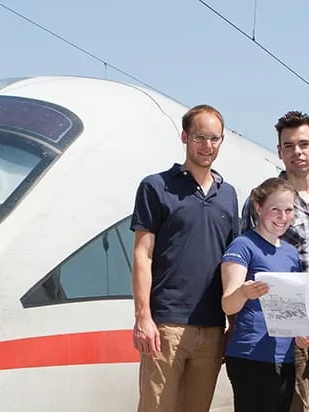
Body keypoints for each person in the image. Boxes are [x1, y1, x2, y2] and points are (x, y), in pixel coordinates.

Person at [131, 104, 239, 412]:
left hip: (212, 327)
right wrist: (143, 317)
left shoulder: (228, 194)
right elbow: (142, 254)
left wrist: (233, 324)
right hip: (166, 326)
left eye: (215, 138)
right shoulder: (156, 187)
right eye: (200, 137)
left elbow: (233, 266)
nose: (207, 146)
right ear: (184, 137)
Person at [241, 111, 309, 412]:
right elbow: (249, 257)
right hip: (287, 323)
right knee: (293, 404)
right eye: (288, 145)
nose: (297, 151)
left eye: (303, 143)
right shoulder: (263, 200)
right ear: (279, 151)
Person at [222, 177, 309, 412]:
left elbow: (293, 308)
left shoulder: (292, 254)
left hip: (285, 357)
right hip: (250, 356)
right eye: (275, 210)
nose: (283, 217)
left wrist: (301, 336)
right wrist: (244, 292)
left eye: (288, 210)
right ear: (259, 208)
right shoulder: (243, 246)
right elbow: (228, 305)